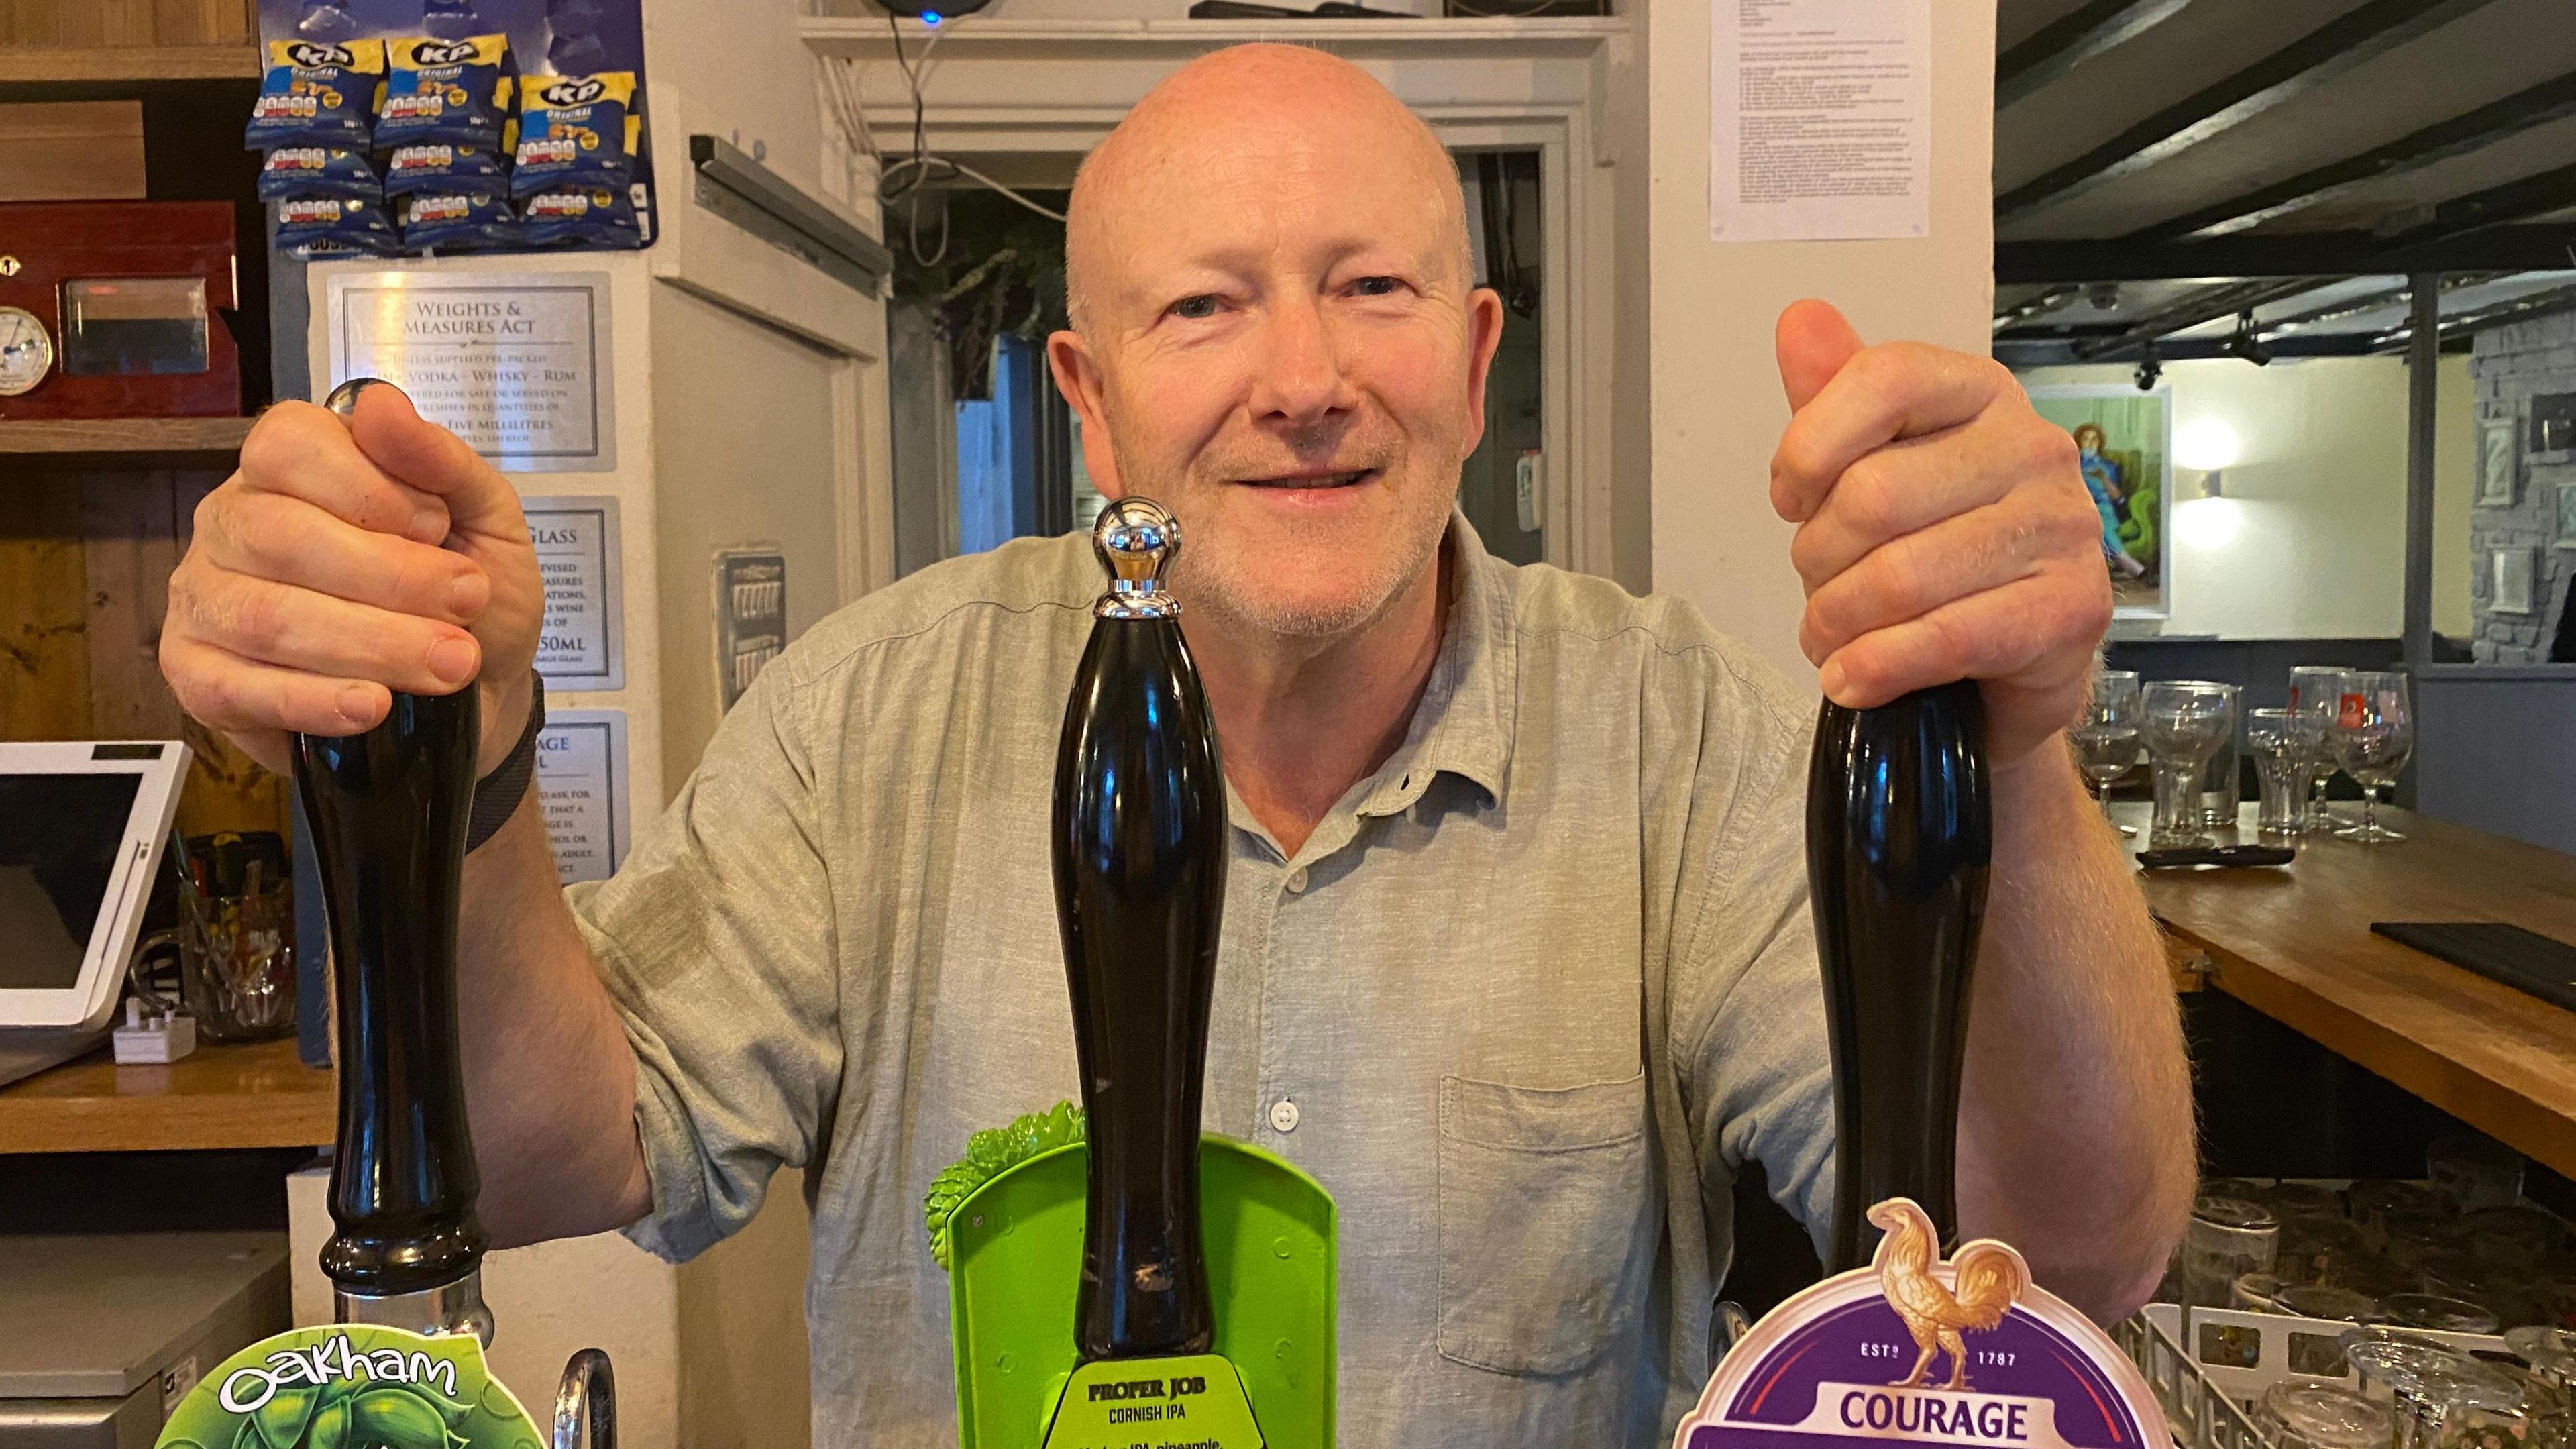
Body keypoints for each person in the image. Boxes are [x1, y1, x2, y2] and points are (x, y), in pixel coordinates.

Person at [159, 44, 2192, 1447]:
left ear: (1474, 366)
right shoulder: (870, 714)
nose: (1302, 380)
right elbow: (539, 1163)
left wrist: (2014, 746)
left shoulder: (1669, 732)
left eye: (1372, 289)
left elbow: (2066, 1249)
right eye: (1206, 307)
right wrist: (473, 755)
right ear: (1090, 399)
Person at [2073, 422, 2146, 580]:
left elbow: (2118, 498)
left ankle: (2124, 562)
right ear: (2079, 442)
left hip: (2104, 509)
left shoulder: (2110, 466)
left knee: (2098, 520)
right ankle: (2121, 563)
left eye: (2094, 439)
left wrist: (2103, 478)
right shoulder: (2071, 465)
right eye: (2086, 439)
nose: (2090, 443)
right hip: (2078, 507)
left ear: (2100, 443)